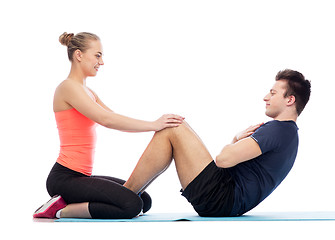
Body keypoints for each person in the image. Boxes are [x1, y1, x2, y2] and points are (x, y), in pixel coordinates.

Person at [33, 32, 184, 219]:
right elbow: (106, 120)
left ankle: (68, 202)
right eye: (97, 55)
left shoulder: (88, 92)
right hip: (64, 178)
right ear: (79, 55)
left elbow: (113, 118)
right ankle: (58, 210)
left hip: (81, 177)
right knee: (131, 205)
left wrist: (154, 124)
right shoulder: (67, 88)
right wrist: (154, 125)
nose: (101, 62)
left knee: (144, 200)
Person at [124, 69, 311, 217]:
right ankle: (131, 194)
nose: (265, 97)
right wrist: (236, 140)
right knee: (172, 129)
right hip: (225, 200)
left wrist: (235, 141)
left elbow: (223, 160)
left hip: (221, 198)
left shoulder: (277, 130)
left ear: (290, 99)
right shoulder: (288, 134)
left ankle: (124, 197)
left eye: (273, 93)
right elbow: (235, 165)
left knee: (174, 126)